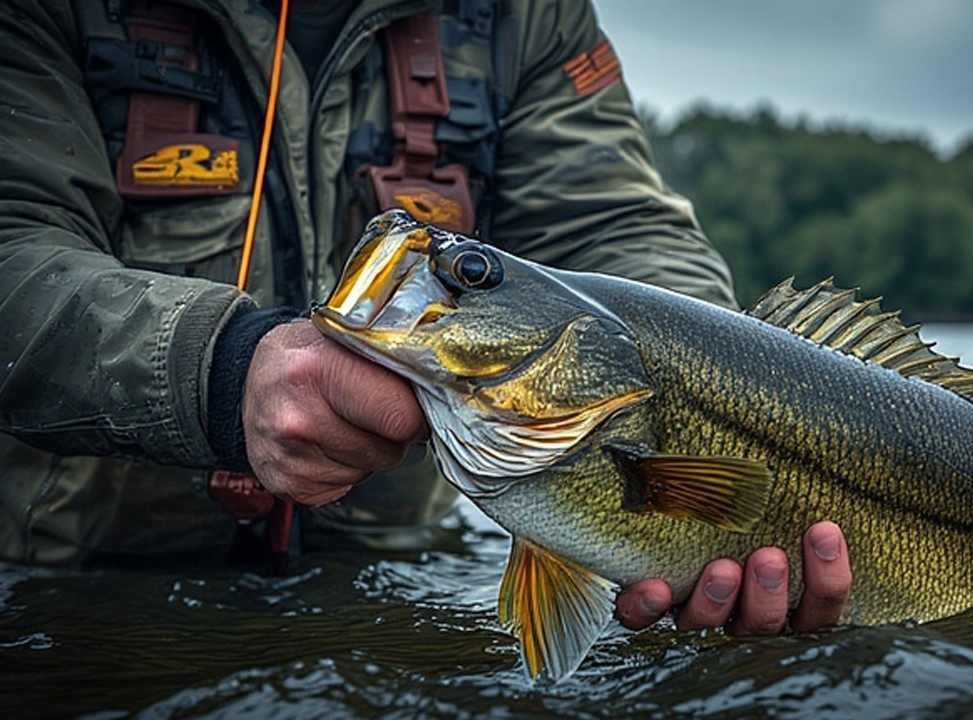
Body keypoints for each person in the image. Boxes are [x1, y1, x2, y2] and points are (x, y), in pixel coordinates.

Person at [0, 0, 851, 635]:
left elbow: (616, 231)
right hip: (59, 591)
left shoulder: (528, 14)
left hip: (394, 589)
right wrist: (218, 372)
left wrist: (727, 434)